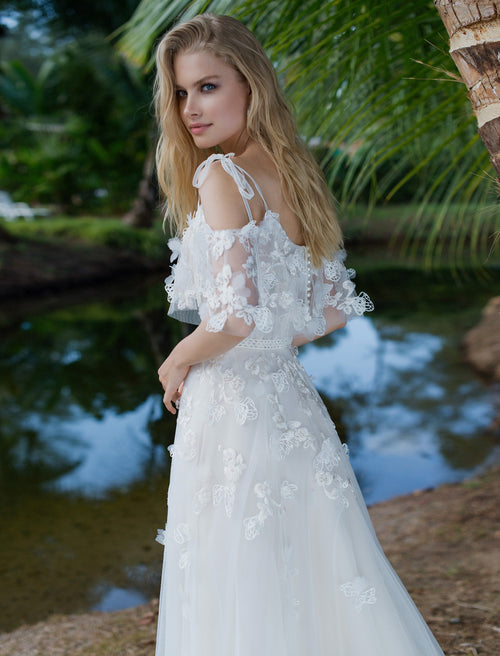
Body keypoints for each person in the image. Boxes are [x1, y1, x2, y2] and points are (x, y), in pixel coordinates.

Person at [154, 13, 445, 656]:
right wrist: (265, 346)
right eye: (180, 92)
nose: (190, 109)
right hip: (289, 403)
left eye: (207, 86)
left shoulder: (222, 177)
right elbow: (333, 309)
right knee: (315, 572)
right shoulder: (295, 171)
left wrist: (178, 358)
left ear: (250, 84)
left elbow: (234, 317)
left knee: (239, 575)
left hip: (231, 406)